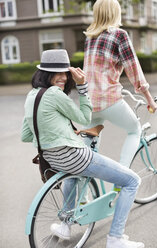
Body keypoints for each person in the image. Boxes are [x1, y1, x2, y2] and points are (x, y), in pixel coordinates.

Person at [21, 49, 144, 248]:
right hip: (75, 156)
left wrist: (56, 130)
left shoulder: (31, 96)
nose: (62, 77)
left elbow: (26, 135)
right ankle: (115, 238)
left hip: (52, 158)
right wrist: (82, 86)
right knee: (132, 180)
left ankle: (65, 225)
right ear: (45, 74)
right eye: (57, 73)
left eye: (65, 73)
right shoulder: (54, 94)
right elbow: (85, 118)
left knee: (74, 173)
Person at [83, 0, 157, 171]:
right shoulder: (119, 35)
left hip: (88, 103)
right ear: (115, 13)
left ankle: (82, 194)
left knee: (87, 152)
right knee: (134, 130)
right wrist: (149, 99)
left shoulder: (90, 37)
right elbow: (133, 69)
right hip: (108, 99)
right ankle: (122, 176)